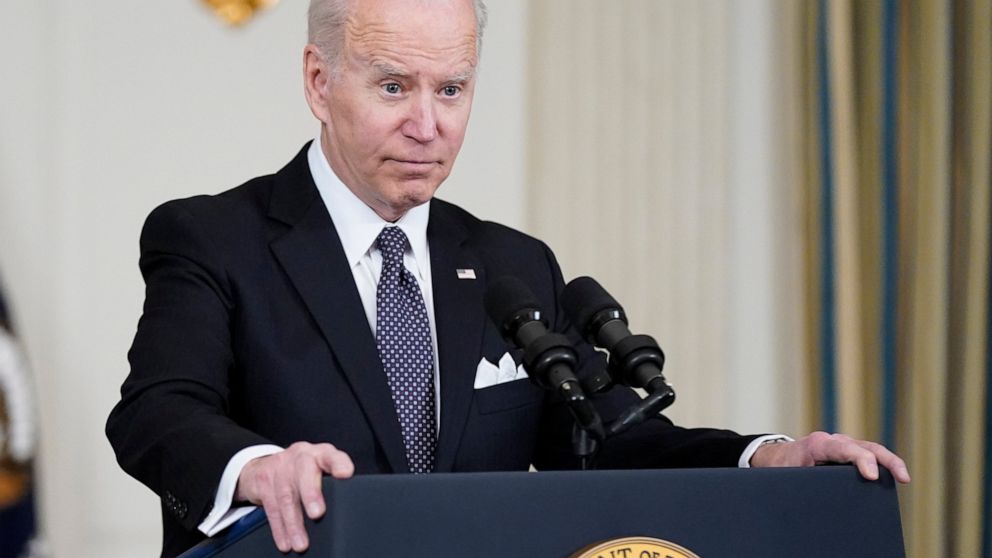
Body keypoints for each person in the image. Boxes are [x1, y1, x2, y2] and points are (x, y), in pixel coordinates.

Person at [105, 0, 910, 556]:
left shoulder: (511, 265)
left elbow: (612, 444)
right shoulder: (214, 237)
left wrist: (768, 461)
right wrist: (256, 468)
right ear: (320, 80)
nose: (429, 125)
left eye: (451, 90)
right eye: (394, 87)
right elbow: (156, 412)